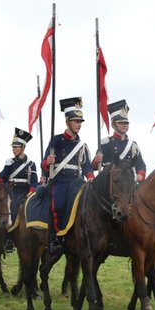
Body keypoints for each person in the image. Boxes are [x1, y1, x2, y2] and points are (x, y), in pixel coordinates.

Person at [42, 97, 94, 254]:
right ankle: (55, 237)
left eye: (80, 122)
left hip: (77, 181)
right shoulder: (56, 140)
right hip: (60, 181)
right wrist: (48, 162)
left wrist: (91, 177)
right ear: (68, 121)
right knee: (57, 205)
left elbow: (86, 165)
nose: (79, 124)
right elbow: (44, 165)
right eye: (76, 121)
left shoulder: (82, 146)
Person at [0, 128, 38, 252]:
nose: (14, 149)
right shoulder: (9, 162)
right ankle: (8, 238)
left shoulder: (31, 164)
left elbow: (34, 181)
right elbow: (3, 178)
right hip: (12, 192)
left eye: (16, 147)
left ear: (23, 147)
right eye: (13, 147)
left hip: (26, 191)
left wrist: (32, 190)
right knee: (11, 210)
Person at [91, 99, 146, 181]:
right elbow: (94, 166)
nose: (124, 125)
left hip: (128, 181)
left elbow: (140, 165)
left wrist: (140, 175)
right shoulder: (105, 142)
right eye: (120, 123)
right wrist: (97, 160)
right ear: (113, 124)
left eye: (126, 123)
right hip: (109, 180)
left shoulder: (133, 146)